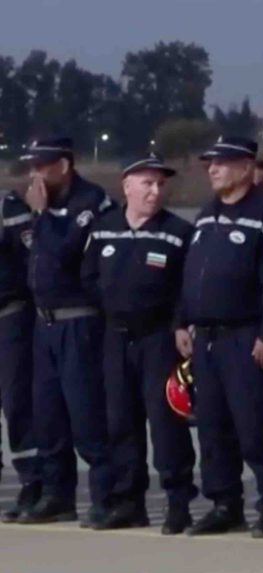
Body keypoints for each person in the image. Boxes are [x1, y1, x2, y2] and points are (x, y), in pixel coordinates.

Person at [80, 153, 198, 534]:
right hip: (116, 339)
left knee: (166, 422)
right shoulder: (104, 229)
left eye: (161, 184)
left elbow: (187, 287)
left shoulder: (178, 232)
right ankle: (129, 501)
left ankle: (178, 501)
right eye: (147, 183)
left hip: (158, 339)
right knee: (120, 422)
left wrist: (179, 323)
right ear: (126, 186)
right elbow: (89, 277)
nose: (155, 190)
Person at [179, 136, 263, 537]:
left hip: (245, 337)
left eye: (221, 162)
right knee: (211, 427)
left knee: (254, 427)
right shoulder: (206, 214)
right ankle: (225, 504)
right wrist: (180, 321)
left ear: (245, 168)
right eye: (210, 162)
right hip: (205, 339)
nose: (212, 168)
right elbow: (190, 273)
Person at [17, 137, 117, 527]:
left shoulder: (89, 203)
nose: (35, 175)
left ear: (64, 165)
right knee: (49, 417)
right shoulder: (44, 205)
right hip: (44, 322)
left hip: (80, 321)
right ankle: (57, 496)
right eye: (32, 166)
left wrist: (41, 216)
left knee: (86, 415)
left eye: (42, 166)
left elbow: (64, 254)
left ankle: (106, 497)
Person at [0, 186, 41, 522]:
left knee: (18, 404)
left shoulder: (9, 208)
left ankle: (33, 482)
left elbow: (32, 260)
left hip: (9, 317)